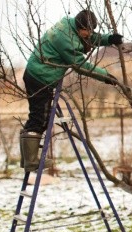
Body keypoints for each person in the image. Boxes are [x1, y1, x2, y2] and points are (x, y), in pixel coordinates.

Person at [20, 9, 123, 172]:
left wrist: (108, 39)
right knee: (40, 119)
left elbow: (87, 38)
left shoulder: (70, 25)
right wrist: (105, 76)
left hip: (37, 74)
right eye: (87, 31)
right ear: (80, 27)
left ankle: (26, 159)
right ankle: (31, 161)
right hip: (40, 78)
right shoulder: (66, 41)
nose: (89, 34)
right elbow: (81, 65)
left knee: (37, 116)